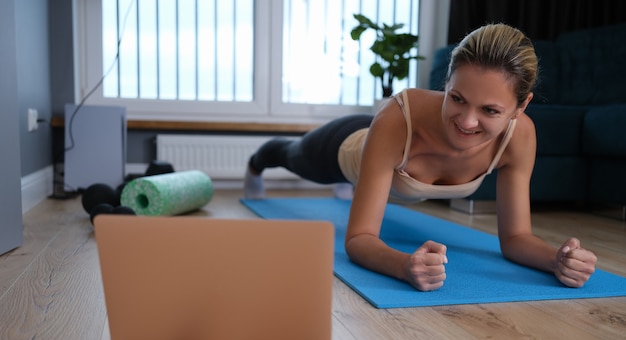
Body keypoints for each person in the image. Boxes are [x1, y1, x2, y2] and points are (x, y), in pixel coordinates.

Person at [244, 23, 598, 292]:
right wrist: (403, 265)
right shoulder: (400, 115)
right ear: (446, 82)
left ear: (521, 106)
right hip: (352, 145)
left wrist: (557, 261)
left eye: (489, 110)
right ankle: (256, 162)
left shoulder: (520, 137)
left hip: (386, 152)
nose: (467, 121)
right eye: (457, 98)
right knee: (289, 154)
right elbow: (358, 239)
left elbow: (516, 238)